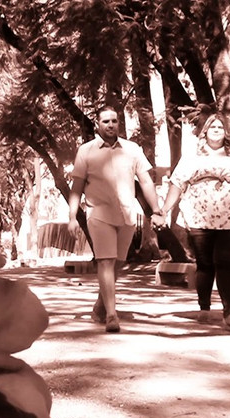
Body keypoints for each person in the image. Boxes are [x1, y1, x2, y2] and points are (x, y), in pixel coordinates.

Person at [152, 113, 230, 332]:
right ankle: (204, 306)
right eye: (213, 126)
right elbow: (177, 183)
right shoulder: (192, 154)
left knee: (226, 263)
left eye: (221, 127)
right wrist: (164, 210)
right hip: (199, 215)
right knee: (205, 263)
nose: (217, 129)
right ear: (205, 130)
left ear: (226, 132)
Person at [68, 105, 162, 333]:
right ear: (97, 124)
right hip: (98, 213)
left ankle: (101, 303)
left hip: (127, 214)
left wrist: (157, 209)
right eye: (106, 121)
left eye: (114, 121)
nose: (111, 125)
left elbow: (146, 182)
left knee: (118, 262)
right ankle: (112, 314)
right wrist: (72, 216)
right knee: (106, 261)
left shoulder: (132, 149)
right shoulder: (86, 151)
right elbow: (77, 186)